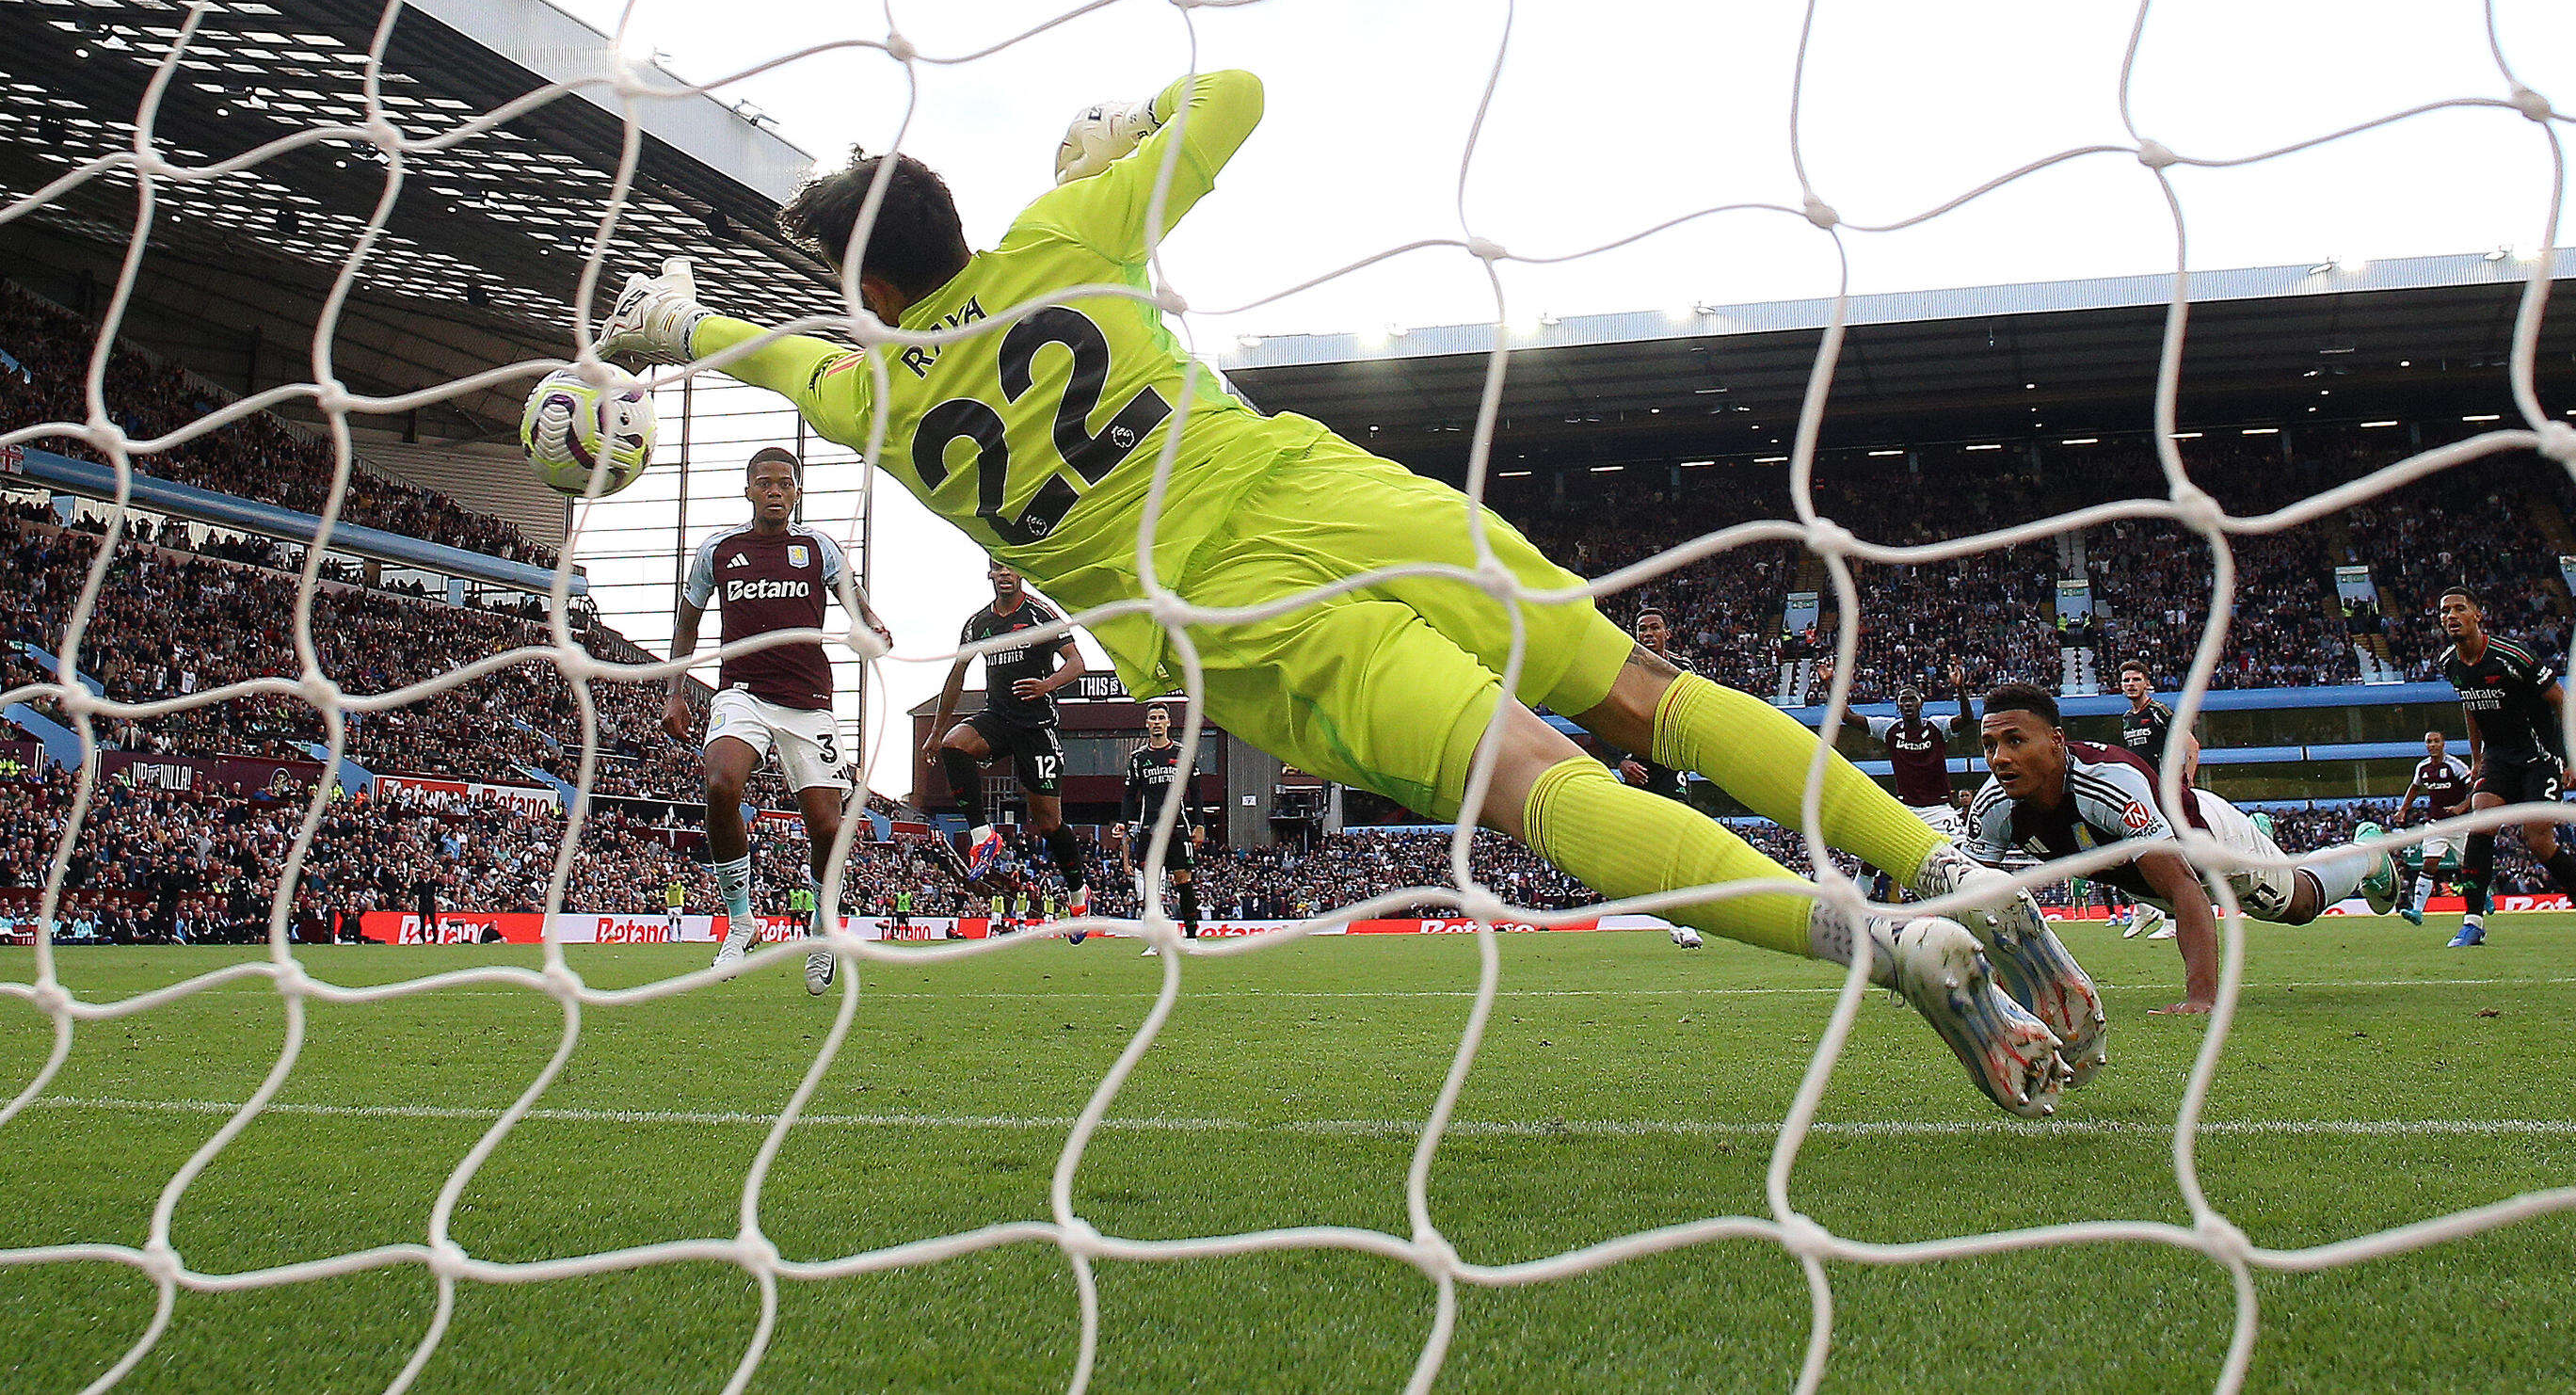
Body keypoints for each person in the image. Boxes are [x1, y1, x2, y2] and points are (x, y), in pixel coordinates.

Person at [593, 66, 2104, 1115]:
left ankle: (1890, 952)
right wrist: (1124, 142)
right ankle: (1929, 862)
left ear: (871, 290)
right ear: (957, 221)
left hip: (1235, 614)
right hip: (1341, 496)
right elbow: (1240, 97)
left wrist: (676, 328)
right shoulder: (1073, 235)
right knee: (1645, 694)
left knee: (1532, 780)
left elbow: (768, 356)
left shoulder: (879, 397)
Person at [1967, 681, 2400, 1015]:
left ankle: (2366, 853)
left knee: (2298, 906)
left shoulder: (2107, 783)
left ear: (2057, 740)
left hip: (2207, 846)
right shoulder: (1992, 805)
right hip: (2136, 873)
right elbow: (1972, 904)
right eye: (1990, 745)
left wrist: (2201, 997)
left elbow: (2184, 888)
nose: (1999, 758)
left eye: (2015, 741)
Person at [664, 446, 892, 993]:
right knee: (720, 782)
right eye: (763, 482)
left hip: (808, 700)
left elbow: (854, 600)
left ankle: (820, 925)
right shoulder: (719, 550)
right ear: (748, 490)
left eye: (784, 483)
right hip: (741, 693)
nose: (773, 490)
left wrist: (873, 624)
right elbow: (687, 623)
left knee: (829, 829)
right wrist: (674, 693)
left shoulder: (819, 547)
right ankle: (741, 919)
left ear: (795, 492)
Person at [2431, 588, 2576, 948]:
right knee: (2480, 825)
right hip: (2499, 756)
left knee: (2538, 840)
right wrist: (2477, 757)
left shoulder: (2511, 656)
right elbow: (2470, 706)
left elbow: (2563, 700)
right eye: (2444, 610)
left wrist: (2572, 755)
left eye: (2459, 609)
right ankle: (2472, 922)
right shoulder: (2449, 662)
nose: (2451, 615)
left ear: (2478, 616)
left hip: (2538, 755)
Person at [923, 562, 1093, 937]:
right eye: (996, 567)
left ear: (1020, 574)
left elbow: (1077, 663)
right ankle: (983, 837)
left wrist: (1046, 686)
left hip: (1036, 726)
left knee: (1049, 823)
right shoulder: (978, 624)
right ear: (988, 574)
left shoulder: (1041, 614)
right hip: (998, 717)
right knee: (954, 746)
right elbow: (956, 676)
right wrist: (936, 731)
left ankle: (1079, 894)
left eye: (1009, 567)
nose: (1003, 573)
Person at [1823, 658, 1976, 899]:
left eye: (1911, 699)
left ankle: (1976, 903)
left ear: (1921, 703)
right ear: (1897, 706)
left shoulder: (1937, 727)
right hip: (1906, 809)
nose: (1906, 703)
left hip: (1939, 809)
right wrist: (1829, 682)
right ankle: (1852, 909)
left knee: (1964, 858)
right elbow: (1848, 717)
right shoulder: (1890, 729)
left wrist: (1960, 688)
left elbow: (1967, 719)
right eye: (1902, 700)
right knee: (1873, 857)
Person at [2112, 660, 2198, 938]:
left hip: (2165, 791)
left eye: (2136, 679)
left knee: (2169, 850)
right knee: (2127, 842)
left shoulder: (2159, 712)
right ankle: (2145, 909)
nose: (2131, 684)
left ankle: (2172, 920)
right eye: (2126, 680)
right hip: (2141, 791)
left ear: (2147, 683)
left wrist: (2187, 778)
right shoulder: (2127, 718)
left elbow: (2191, 744)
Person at [1124, 701, 1201, 947]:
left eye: (1161, 718)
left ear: (1169, 722)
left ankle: (1191, 937)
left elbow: (1196, 792)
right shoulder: (1138, 758)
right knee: (1150, 886)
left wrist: (1199, 824)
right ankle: (1154, 941)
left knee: (1183, 880)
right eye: (1152, 718)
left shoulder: (1181, 753)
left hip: (1178, 828)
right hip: (1149, 829)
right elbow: (1129, 795)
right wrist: (1124, 824)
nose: (1157, 722)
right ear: (1147, 724)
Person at [1609, 609, 1693, 800]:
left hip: (1671, 762)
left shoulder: (1684, 668)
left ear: (1667, 633)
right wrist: (1621, 761)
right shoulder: (1623, 671)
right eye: (1642, 629)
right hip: (1639, 766)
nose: (1648, 633)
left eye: (1655, 628)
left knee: (1678, 817)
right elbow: (1605, 718)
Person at [2392, 730, 2472, 926]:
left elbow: (2475, 786)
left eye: (2436, 741)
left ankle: (2482, 896)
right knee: (2429, 865)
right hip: (2436, 824)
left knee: (2468, 867)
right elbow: (2414, 788)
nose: (2433, 745)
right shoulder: (2423, 767)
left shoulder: (2456, 765)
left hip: (2459, 824)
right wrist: (2403, 810)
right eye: (2429, 742)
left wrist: (2462, 807)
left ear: (2443, 744)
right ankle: (2417, 911)